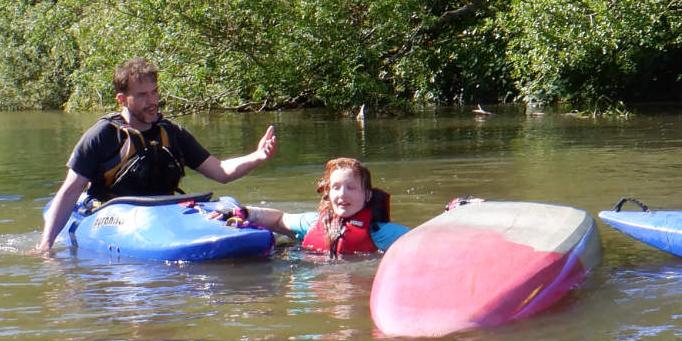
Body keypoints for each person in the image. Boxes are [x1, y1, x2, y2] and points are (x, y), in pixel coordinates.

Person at [37, 57, 278, 252]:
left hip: (165, 212)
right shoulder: (103, 135)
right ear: (122, 99)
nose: (152, 101)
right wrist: (45, 245)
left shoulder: (172, 133)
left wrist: (258, 156)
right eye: (142, 95)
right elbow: (70, 190)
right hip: (115, 212)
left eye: (154, 92)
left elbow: (221, 172)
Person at [236, 157, 409, 257]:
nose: (342, 194)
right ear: (328, 193)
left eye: (351, 187)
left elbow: (421, 243)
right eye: (336, 187)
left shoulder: (382, 234)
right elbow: (280, 219)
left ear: (367, 195)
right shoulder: (313, 223)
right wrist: (247, 213)